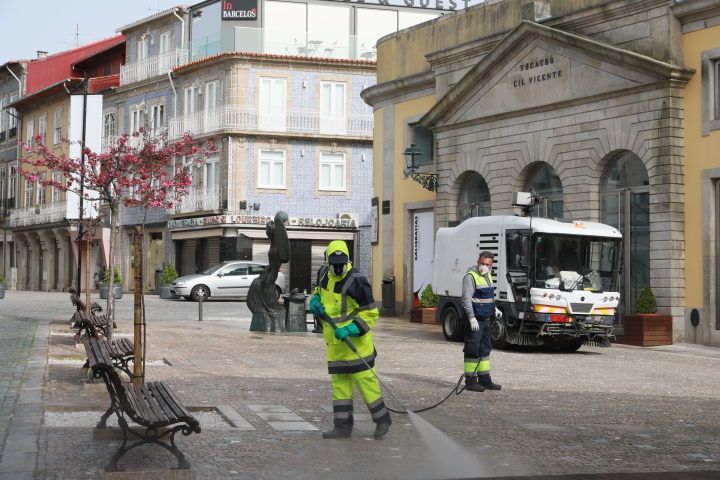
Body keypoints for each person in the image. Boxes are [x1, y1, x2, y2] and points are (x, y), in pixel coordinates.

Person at [308, 240, 392, 439]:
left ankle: (382, 419)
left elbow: (371, 313)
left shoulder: (357, 281)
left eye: (341, 263)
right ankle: (342, 426)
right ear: (327, 260)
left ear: (348, 260)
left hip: (356, 345)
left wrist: (352, 329)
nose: (338, 268)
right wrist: (315, 300)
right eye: (334, 263)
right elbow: (319, 291)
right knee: (340, 386)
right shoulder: (323, 274)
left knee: (366, 383)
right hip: (335, 345)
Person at [461, 251, 502, 392]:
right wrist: (471, 318)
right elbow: (466, 299)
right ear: (478, 262)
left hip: (486, 319)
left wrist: (494, 308)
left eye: (488, 264)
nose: (484, 266)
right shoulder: (470, 276)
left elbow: (489, 297)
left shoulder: (487, 275)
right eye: (482, 263)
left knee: (484, 350)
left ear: (492, 265)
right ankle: (471, 381)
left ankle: (485, 380)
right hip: (475, 320)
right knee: (473, 349)